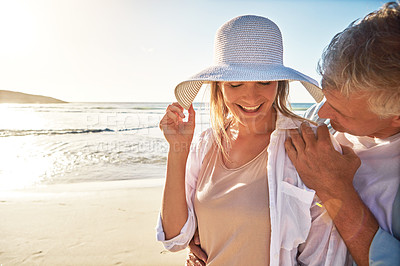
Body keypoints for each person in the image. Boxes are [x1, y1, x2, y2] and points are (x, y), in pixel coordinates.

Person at [156, 15, 351, 265]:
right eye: (236, 84)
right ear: (219, 87)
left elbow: (326, 255)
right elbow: (174, 239)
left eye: (264, 81)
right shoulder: (206, 144)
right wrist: (177, 149)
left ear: (279, 84)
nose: (251, 97)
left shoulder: (308, 143)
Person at [284, 2, 400, 265]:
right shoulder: (314, 118)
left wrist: (333, 188)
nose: (322, 112)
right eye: (325, 97)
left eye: (340, 111)